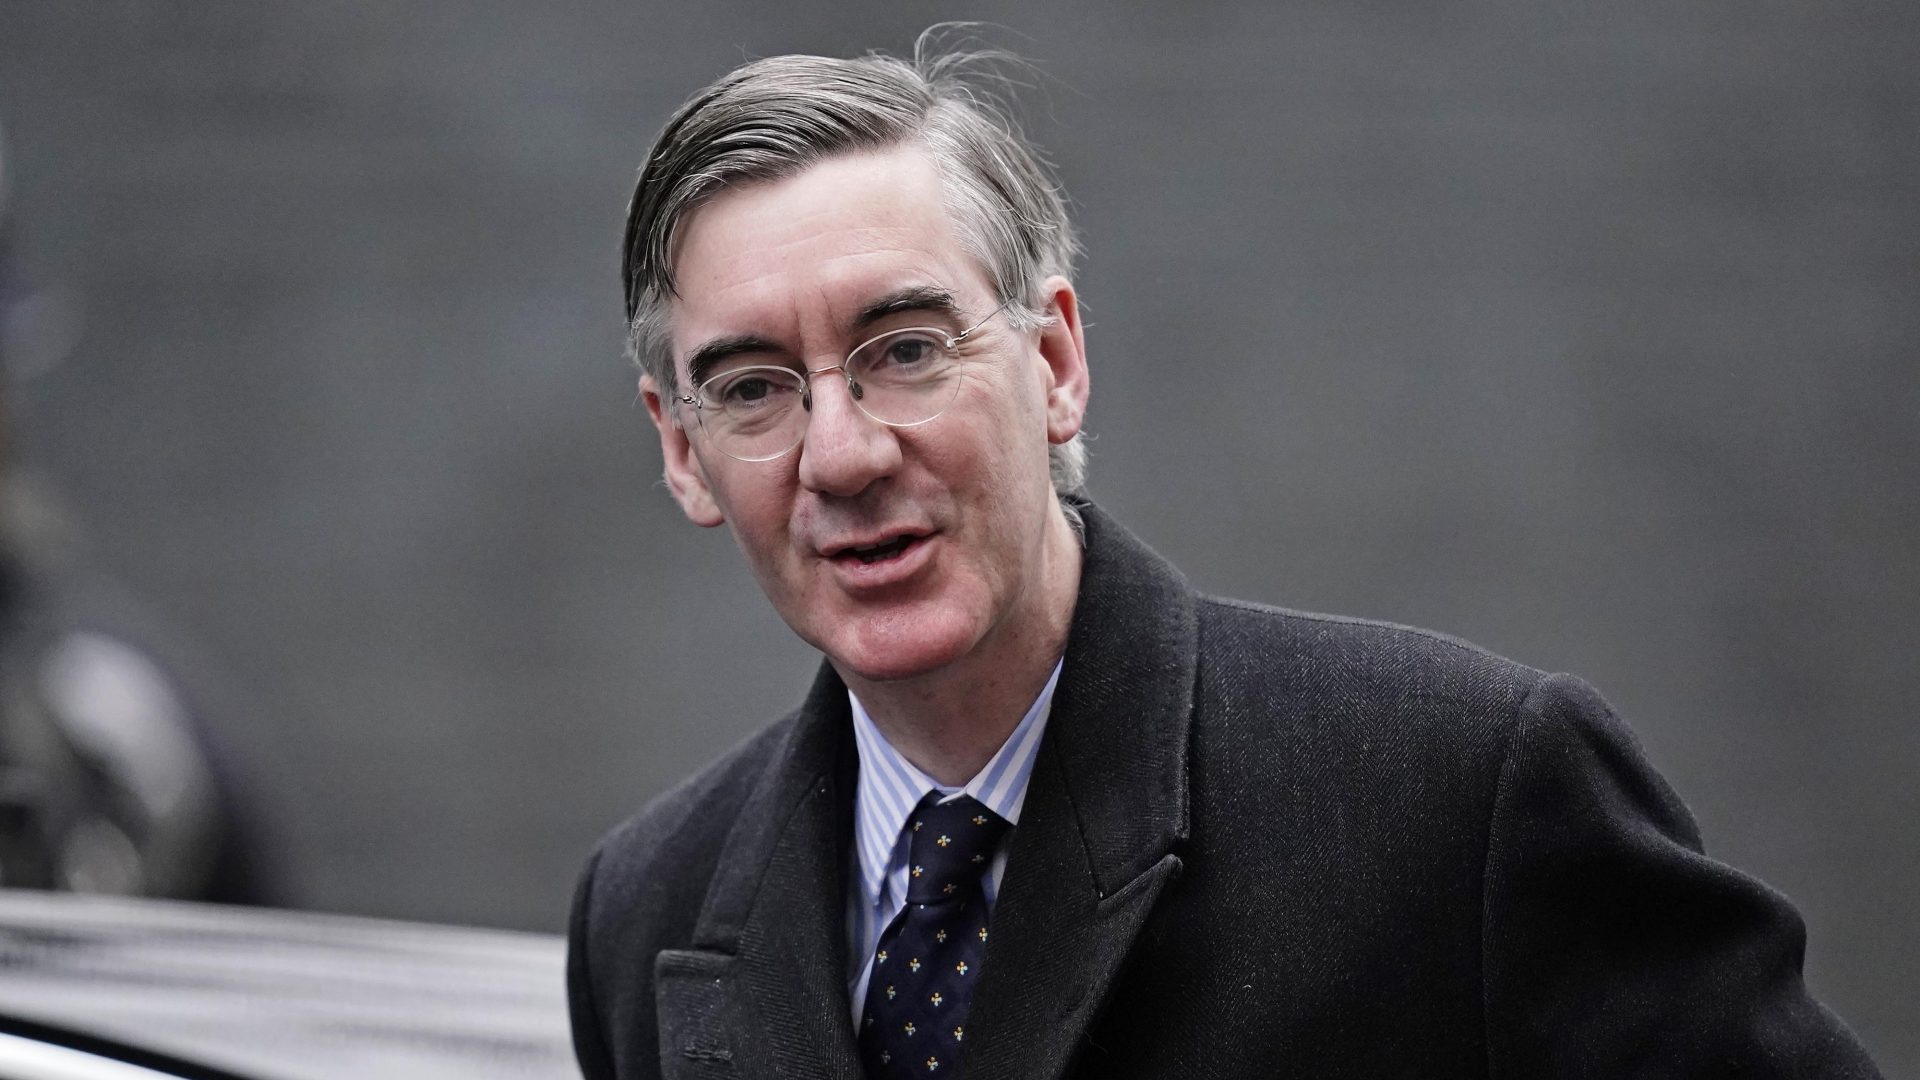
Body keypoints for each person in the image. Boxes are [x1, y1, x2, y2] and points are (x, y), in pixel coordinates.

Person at [567, 42, 1882, 1080]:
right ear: (681, 451)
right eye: (752, 388)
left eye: (906, 349)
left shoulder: (1464, 796)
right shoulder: (647, 911)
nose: (841, 454)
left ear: (1054, 363)